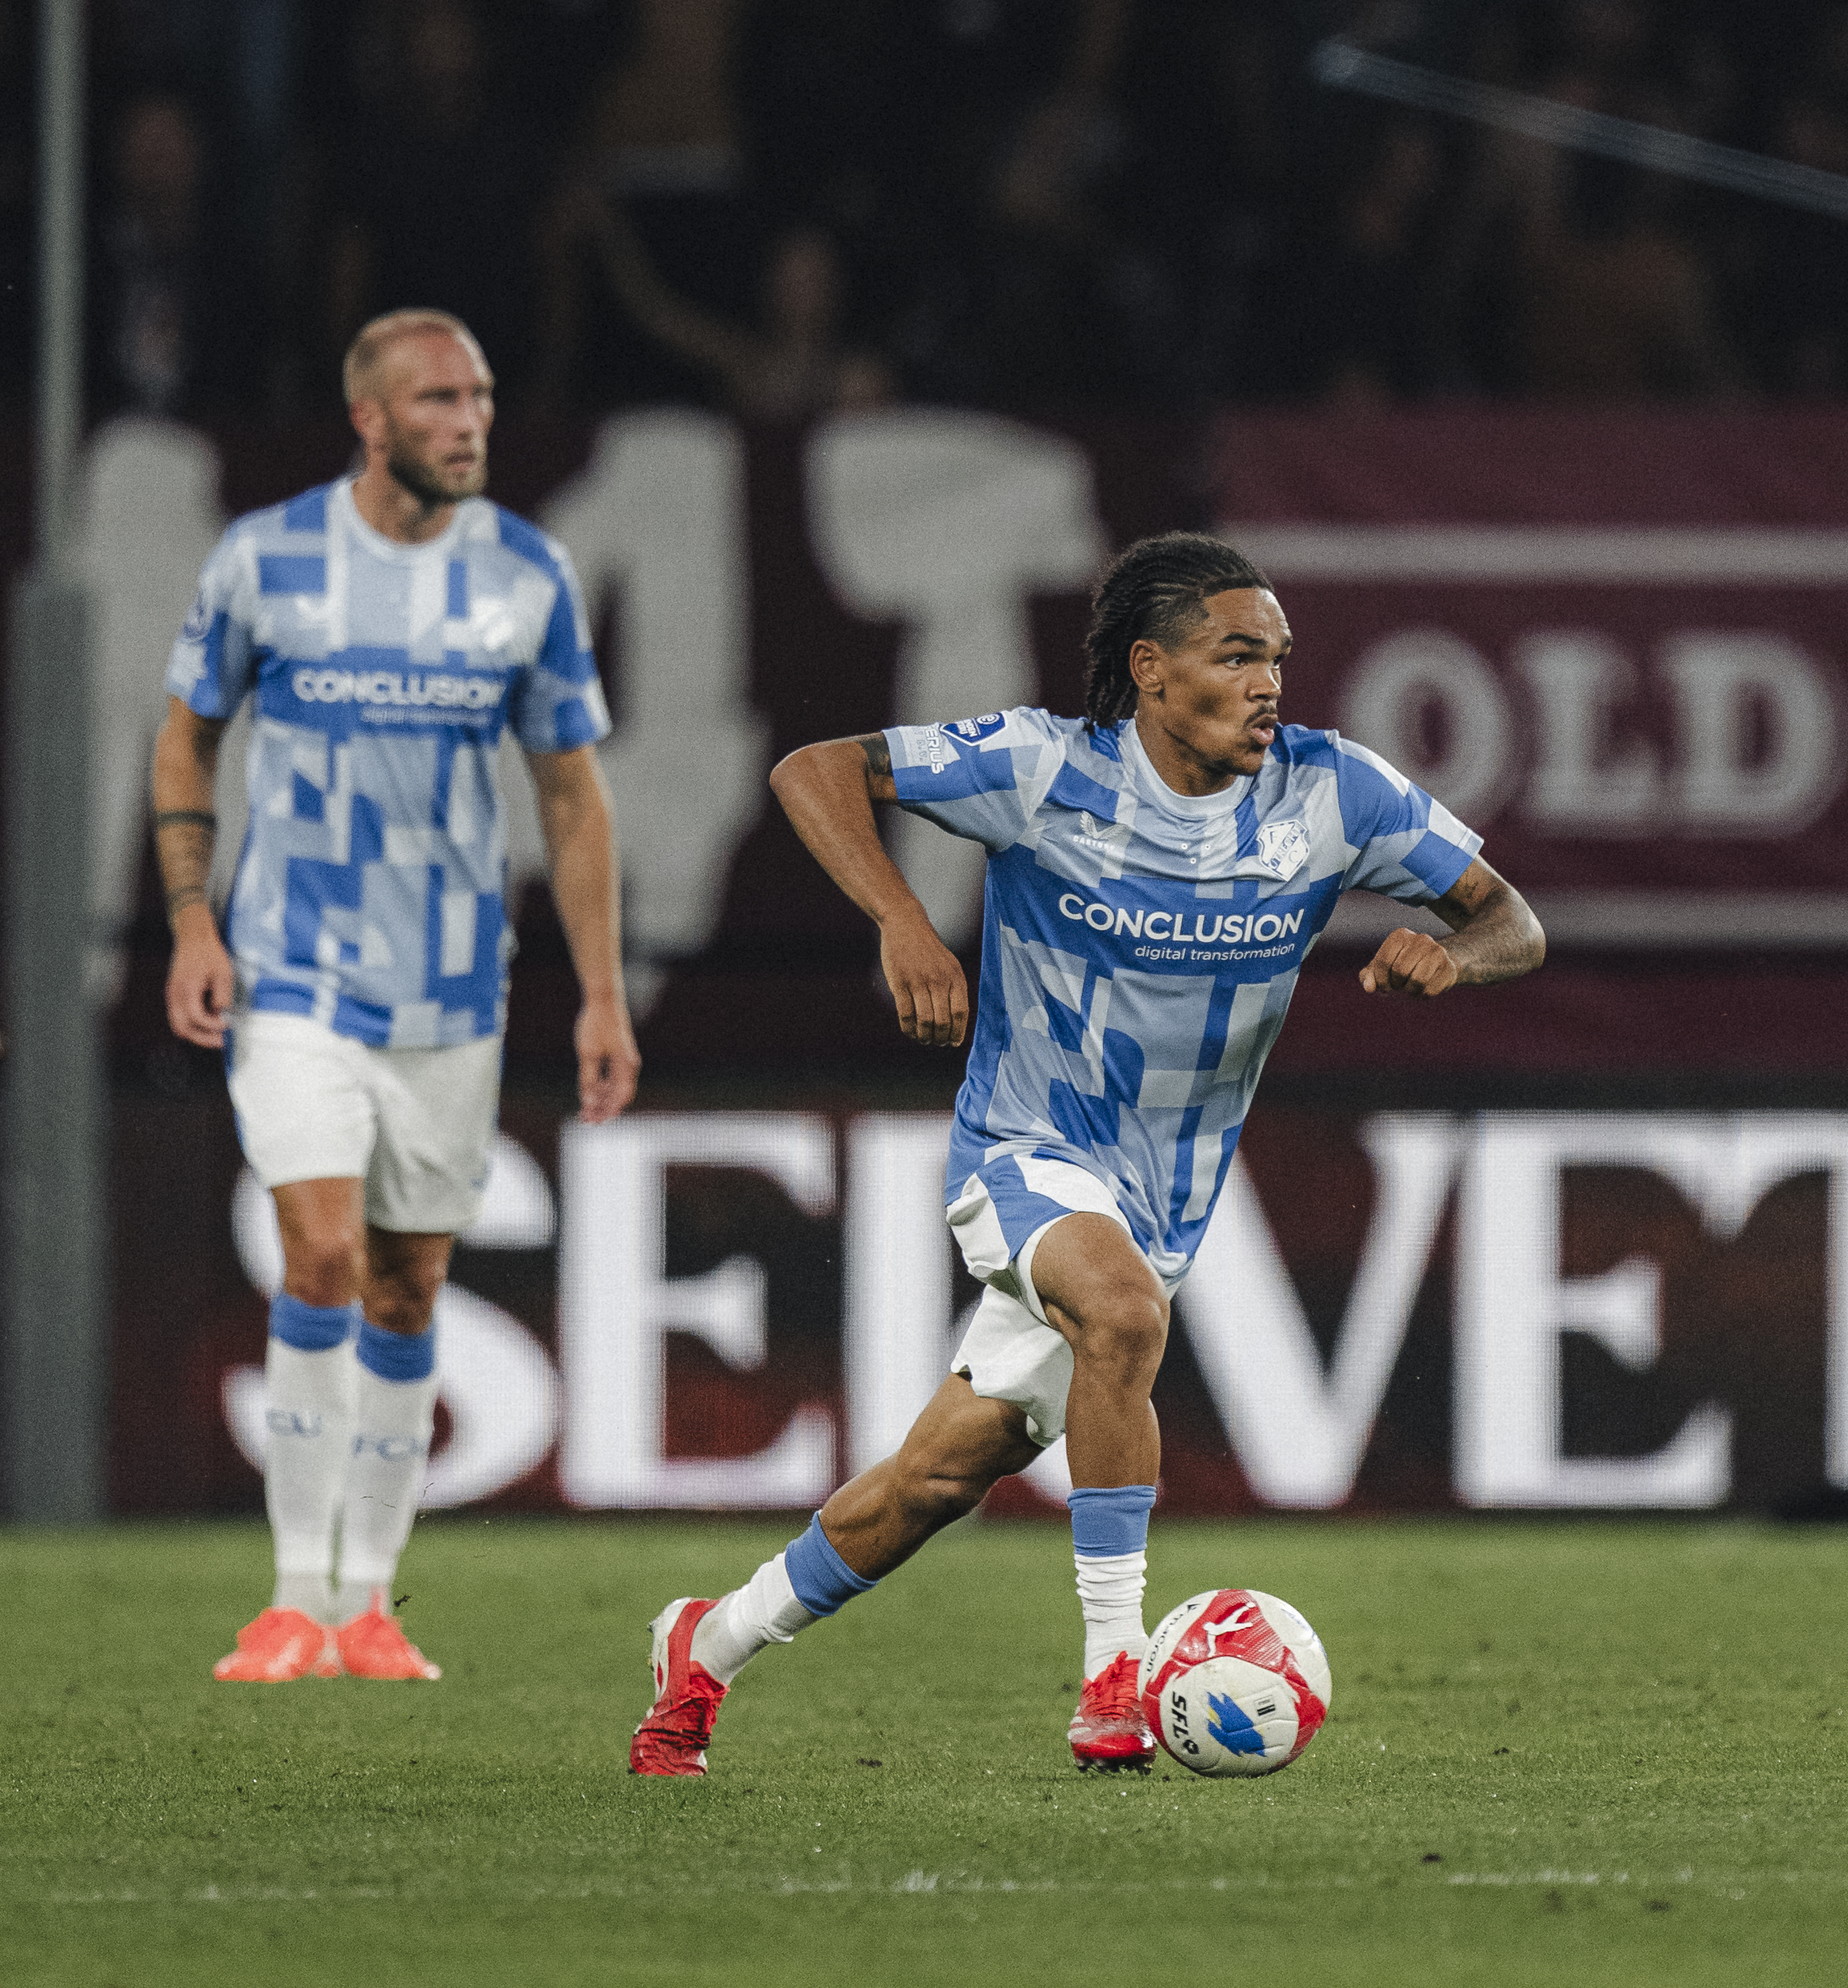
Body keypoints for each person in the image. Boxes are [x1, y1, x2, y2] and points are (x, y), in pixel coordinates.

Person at [626, 531, 1543, 1778]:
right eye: (1237, 655)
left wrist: (1454, 954)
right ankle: (1114, 1674)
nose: (1270, 682)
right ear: (1151, 671)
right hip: (1024, 1151)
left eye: (1276, 656)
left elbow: (1509, 919)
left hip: (1164, 1201)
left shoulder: (1336, 796)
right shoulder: (1040, 767)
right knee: (1118, 1317)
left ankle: (708, 1647)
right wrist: (903, 920)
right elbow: (812, 769)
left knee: (935, 1481)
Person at [158, 309, 639, 1684]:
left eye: (480, 394)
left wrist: (601, 995)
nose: (469, 419)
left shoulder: (525, 574)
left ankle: (369, 1604)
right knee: (319, 1254)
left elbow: (569, 791)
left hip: (451, 989)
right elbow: (186, 738)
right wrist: (194, 920)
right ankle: (289, 1598)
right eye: (438, 398)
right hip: (293, 973)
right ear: (370, 418)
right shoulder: (269, 559)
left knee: (411, 1283)